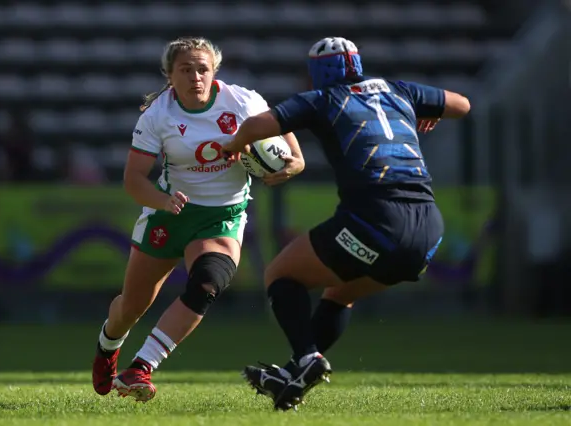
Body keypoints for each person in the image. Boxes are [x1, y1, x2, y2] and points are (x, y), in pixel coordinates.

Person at [222, 37, 471, 411]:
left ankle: (307, 357)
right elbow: (462, 105)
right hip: (428, 230)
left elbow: (260, 123)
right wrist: (424, 110)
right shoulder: (397, 89)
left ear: (316, 73)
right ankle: (295, 374)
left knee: (280, 275)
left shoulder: (321, 99)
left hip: (375, 219)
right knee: (341, 292)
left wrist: (233, 147)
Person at [91, 36, 304, 403]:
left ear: (214, 71)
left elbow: (294, 153)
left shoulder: (244, 101)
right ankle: (109, 344)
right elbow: (133, 180)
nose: (195, 77)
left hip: (222, 215)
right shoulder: (158, 114)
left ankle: (141, 367)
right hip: (168, 214)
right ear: (169, 75)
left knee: (208, 283)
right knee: (131, 307)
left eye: (202, 69)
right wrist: (163, 200)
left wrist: (291, 166)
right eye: (185, 70)